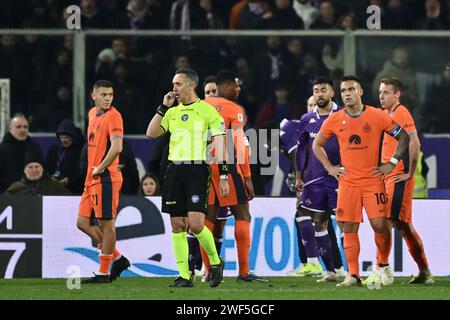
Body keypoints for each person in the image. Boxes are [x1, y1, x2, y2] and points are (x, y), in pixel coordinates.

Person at [313, 75, 410, 287]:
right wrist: (330, 168)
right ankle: (353, 275)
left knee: (380, 225)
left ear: (360, 91)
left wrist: (392, 163)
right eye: (343, 91)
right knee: (348, 227)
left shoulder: (377, 116)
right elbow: (317, 145)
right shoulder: (335, 119)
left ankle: (383, 265)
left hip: (373, 180)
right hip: (348, 183)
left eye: (350, 89)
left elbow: (404, 137)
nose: (347, 94)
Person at [146, 68, 227, 288]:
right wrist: (163, 107)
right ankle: (184, 275)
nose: (174, 88)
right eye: (173, 84)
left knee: (196, 224)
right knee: (177, 225)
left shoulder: (208, 112)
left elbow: (221, 144)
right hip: (174, 170)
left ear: (191, 85)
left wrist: (224, 175)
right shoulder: (171, 112)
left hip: (197, 170)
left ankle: (216, 262)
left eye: (178, 84)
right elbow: (151, 133)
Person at [202, 69, 267, 283]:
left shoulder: (200, 107)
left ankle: (209, 270)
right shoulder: (233, 109)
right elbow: (239, 144)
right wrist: (247, 178)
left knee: (208, 219)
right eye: (236, 85)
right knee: (242, 215)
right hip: (227, 166)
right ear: (227, 86)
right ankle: (244, 272)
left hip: (203, 166)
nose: (238, 89)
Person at [377, 77, 433, 284]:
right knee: (403, 225)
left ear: (397, 94)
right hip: (387, 175)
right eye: (380, 92)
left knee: (385, 221)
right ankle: (424, 271)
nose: (381, 96)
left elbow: (414, 141)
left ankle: (381, 269)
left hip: (398, 176)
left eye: (386, 93)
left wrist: (409, 172)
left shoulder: (401, 113)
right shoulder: (384, 114)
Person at [76, 80, 130, 284]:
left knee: (106, 225)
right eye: (104, 95)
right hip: (92, 178)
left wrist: (100, 168)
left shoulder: (114, 116)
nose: (108, 98)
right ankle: (117, 258)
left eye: (111, 95)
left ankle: (103, 272)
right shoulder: (92, 114)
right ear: (93, 95)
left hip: (105, 177)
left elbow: (117, 147)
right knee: (82, 222)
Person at [293, 77, 345, 282]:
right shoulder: (306, 119)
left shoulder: (343, 115)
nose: (320, 94)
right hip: (314, 179)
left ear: (332, 93)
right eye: (316, 90)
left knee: (344, 223)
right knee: (319, 223)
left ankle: (352, 270)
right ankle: (331, 271)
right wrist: (299, 175)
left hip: (339, 177)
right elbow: (302, 149)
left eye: (324, 90)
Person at [0, 113, 43, 193]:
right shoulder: (2, 149)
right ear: (11, 129)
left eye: (25, 127)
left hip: (32, 195)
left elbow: (43, 172)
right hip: (8, 196)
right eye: (18, 127)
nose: (22, 130)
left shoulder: (35, 147)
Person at [45, 119, 85, 194]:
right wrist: (51, 179)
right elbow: (46, 168)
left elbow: (83, 172)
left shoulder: (81, 150)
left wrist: (69, 180)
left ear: (73, 136)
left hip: (75, 191)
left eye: (66, 137)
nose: (63, 140)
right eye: (61, 137)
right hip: (55, 190)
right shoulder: (54, 150)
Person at [6, 152, 71, 195]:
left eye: (37, 167)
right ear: (24, 170)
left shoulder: (55, 186)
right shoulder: (15, 188)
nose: (34, 170)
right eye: (30, 167)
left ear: (42, 169)